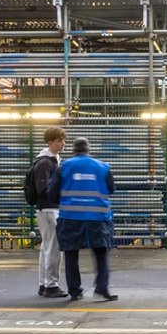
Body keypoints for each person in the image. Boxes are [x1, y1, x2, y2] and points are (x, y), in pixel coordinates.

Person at [47, 137, 118, 301]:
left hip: (70, 216)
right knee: (101, 252)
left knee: (71, 254)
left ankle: (75, 290)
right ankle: (102, 287)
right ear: (89, 150)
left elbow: (51, 193)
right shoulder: (103, 167)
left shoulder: (63, 167)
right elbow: (111, 188)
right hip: (99, 217)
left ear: (73, 150)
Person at [31, 126, 68, 297]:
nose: (63, 144)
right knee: (54, 247)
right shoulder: (45, 162)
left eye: (63, 140)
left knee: (47, 246)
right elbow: (43, 188)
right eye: (60, 140)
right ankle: (51, 285)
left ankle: (43, 283)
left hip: (46, 208)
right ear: (50, 142)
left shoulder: (51, 160)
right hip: (49, 209)